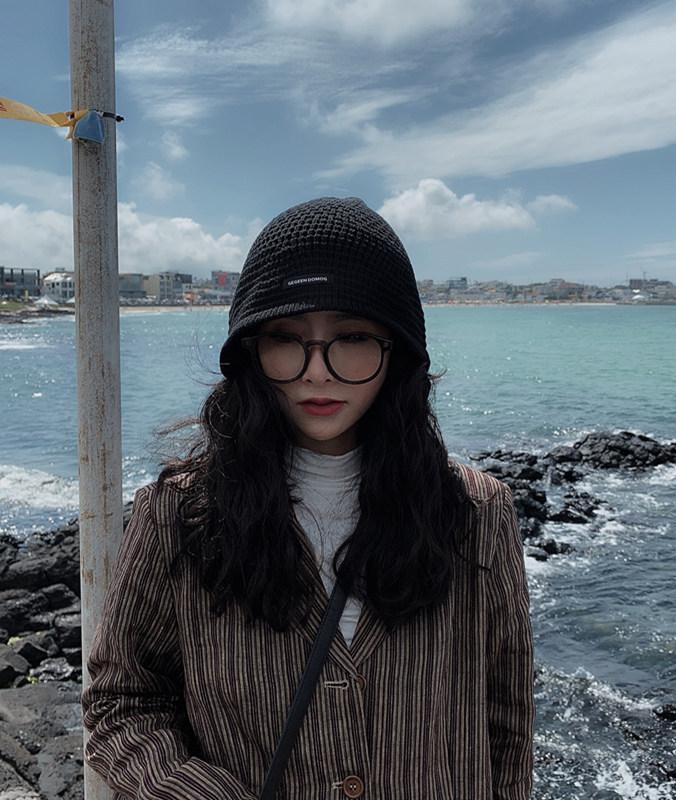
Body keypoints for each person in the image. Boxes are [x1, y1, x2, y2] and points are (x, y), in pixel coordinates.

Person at [81, 196, 535, 799]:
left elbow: (506, 717)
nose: (317, 371)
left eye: (352, 337)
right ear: (250, 352)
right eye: (286, 337)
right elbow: (122, 701)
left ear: (397, 351)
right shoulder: (180, 514)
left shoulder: (476, 513)